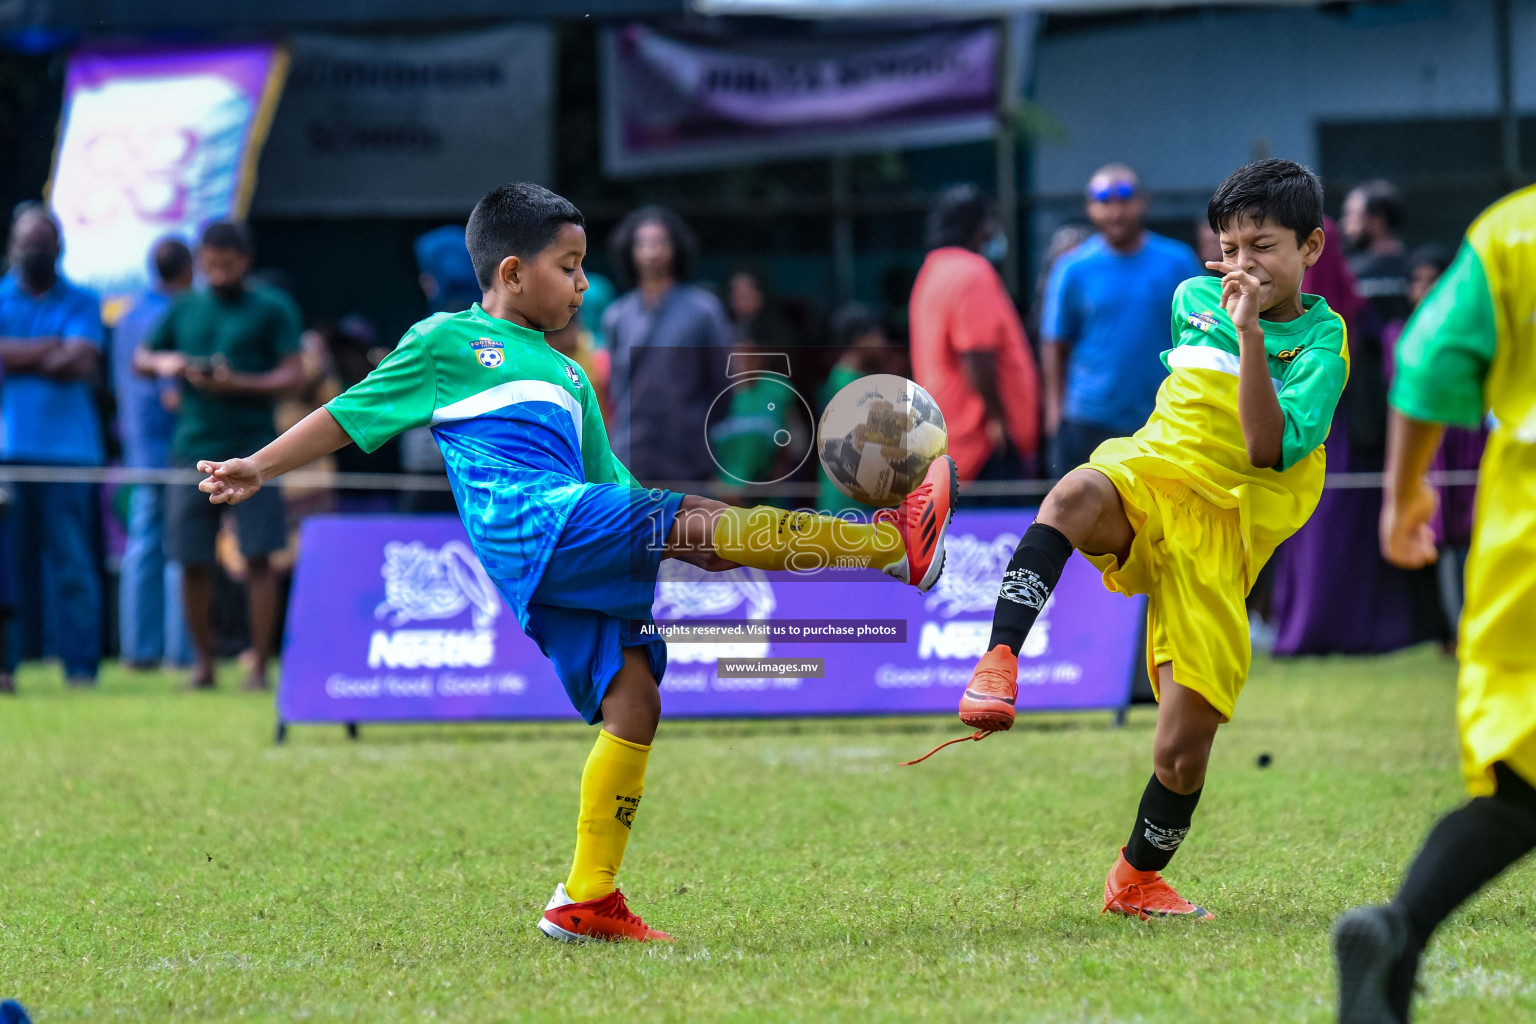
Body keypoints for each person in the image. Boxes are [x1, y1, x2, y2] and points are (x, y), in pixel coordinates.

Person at [190, 182, 959, 943]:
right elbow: (347, 414)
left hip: (569, 532)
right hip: (535, 526)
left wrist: (668, 533)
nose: (585, 282)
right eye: (570, 265)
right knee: (691, 524)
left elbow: (612, 482)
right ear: (513, 272)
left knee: (637, 699)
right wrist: (259, 464)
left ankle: (585, 899)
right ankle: (888, 542)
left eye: (585, 264)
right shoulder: (445, 343)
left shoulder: (567, 374)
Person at [950, 160, 1347, 920]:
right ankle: (999, 662)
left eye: (1262, 246)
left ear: (1312, 247)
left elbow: (1264, 450)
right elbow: (1186, 411)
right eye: (1230, 247)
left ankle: (1135, 879)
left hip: (1223, 535)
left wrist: (1250, 333)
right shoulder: (1190, 296)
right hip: (1150, 474)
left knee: (1182, 750)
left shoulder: (1325, 341)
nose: (1242, 265)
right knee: (1070, 492)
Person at [1331, 185, 1536, 1024]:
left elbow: (1422, 360)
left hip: (1526, 541)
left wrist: (1401, 494)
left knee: (1525, 782)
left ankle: (1399, 933)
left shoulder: (1513, 230)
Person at [136, 221, 304, 691]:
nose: (217, 274)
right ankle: (202, 665)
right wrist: (168, 363)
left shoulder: (272, 307)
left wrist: (240, 385)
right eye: (210, 265)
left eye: (226, 265)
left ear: (245, 261)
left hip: (256, 450)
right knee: (191, 558)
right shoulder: (185, 306)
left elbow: (294, 374)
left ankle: (257, 666)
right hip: (191, 449)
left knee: (258, 557)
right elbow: (141, 358)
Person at [1039, 164, 1204, 476]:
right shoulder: (1072, 268)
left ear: (1143, 202)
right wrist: (1054, 410)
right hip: (1088, 418)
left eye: (1124, 198)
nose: (1115, 211)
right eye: (1104, 200)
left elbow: (1201, 332)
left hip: (1162, 416)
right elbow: (1054, 343)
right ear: (1090, 207)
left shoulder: (1178, 261)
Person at [0, 202, 105, 689]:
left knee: (73, 567)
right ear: (13, 247)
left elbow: (79, 362)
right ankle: (6, 667)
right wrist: (50, 345)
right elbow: (62, 354)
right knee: (5, 567)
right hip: (9, 453)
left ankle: (81, 668)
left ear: (58, 247)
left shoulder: (83, 299)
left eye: (41, 244)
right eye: (26, 244)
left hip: (70, 455)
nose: (33, 252)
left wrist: (16, 353)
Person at [909, 185, 1040, 487]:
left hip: (949, 437)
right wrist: (998, 419)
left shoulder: (933, 269)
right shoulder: (972, 272)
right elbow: (977, 355)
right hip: (983, 442)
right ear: (977, 225)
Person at [603, 206, 734, 485]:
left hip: (688, 454)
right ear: (630, 251)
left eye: (659, 242)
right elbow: (615, 388)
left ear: (675, 248)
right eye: (642, 243)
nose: (651, 252)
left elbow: (723, 384)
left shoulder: (703, 311)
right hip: (632, 453)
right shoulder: (617, 315)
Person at [113, 237, 195, 670]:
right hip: (175, 448)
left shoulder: (127, 317)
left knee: (142, 547)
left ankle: (138, 650)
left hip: (138, 447)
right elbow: (173, 397)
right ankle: (180, 653)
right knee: (180, 548)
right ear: (188, 271)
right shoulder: (175, 313)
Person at [816, 305, 892, 515]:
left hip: (859, 499)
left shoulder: (856, 380)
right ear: (859, 340)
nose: (883, 343)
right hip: (844, 505)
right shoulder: (845, 383)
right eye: (876, 335)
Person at [1341, 179, 1412, 326]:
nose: (1344, 223)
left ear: (1378, 220)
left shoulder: (1348, 272)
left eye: (1352, 214)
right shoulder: (1419, 273)